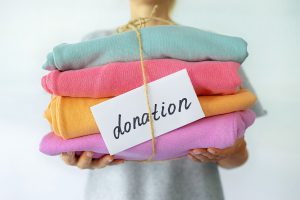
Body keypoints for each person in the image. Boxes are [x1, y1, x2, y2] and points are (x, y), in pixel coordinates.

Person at [61, 0, 265, 199]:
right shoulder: (93, 46)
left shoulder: (209, 47)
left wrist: (231, 150)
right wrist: (73, 152)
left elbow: (238, 155)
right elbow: (72, 123)